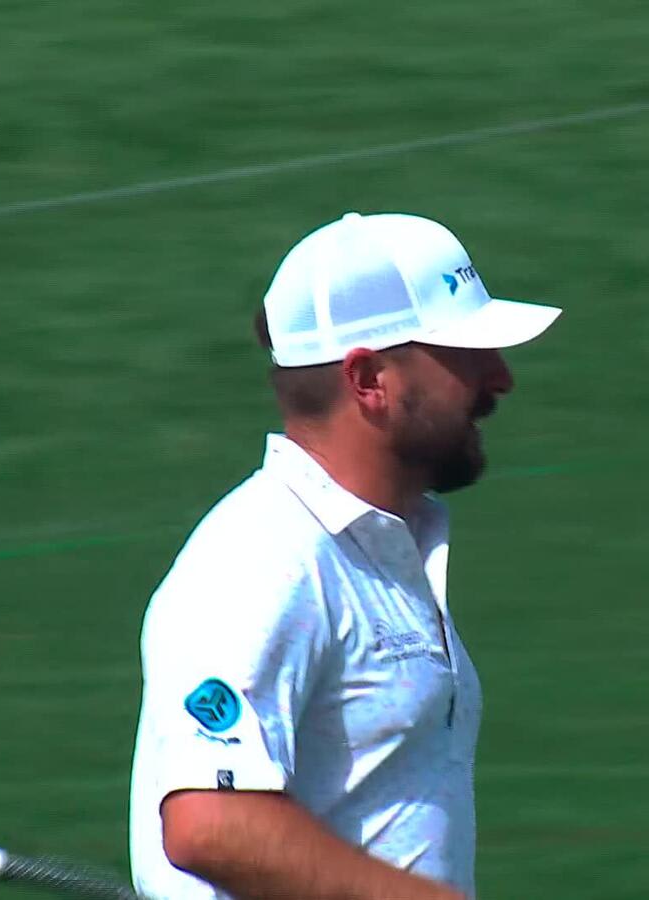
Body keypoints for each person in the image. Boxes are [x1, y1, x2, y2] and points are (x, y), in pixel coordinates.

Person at [128, 211, 562, 900]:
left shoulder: (377, 550)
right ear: (370, 381)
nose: (501, 379)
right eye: (469, 357)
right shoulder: (261, 560)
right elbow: (209, 821)